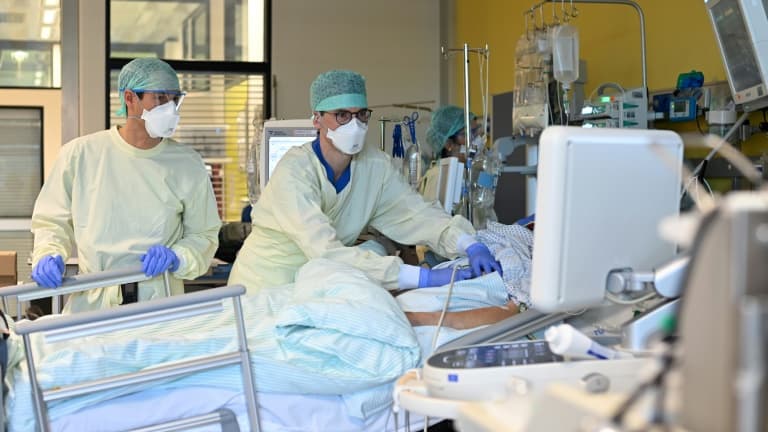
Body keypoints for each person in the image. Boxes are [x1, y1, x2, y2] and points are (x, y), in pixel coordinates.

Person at [228, 69, 502, 294]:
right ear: (317, 119)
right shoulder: (294, 172)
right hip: (261, 290)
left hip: (312, 291)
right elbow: (327, 252)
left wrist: (468, 243)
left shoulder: (373, 165)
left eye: (361, 115)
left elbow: (415, 214)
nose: (354, 125)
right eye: (342, 116)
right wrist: (421, 278)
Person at [30, 58, 221, 313]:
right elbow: (51, 222)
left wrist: (178, 256)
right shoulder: (81, 155)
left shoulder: (187, 164)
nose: (171, 108)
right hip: (94, 302)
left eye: (175, 99)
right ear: (130, 98)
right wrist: (48, 254)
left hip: (159, 302)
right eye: (160, 99)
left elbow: (203, 234)